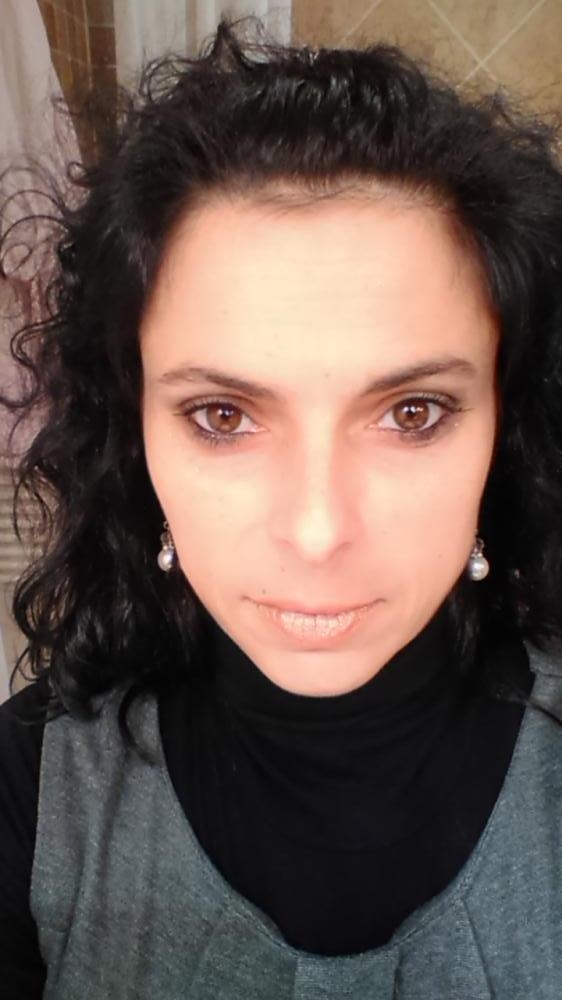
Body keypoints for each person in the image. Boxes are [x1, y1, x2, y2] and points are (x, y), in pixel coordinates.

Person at [1, 13, 561, 999]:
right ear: (133, 433)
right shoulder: (28, 788)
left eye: (412, 412)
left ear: (503, 428)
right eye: (222, 415)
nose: (316, 530)